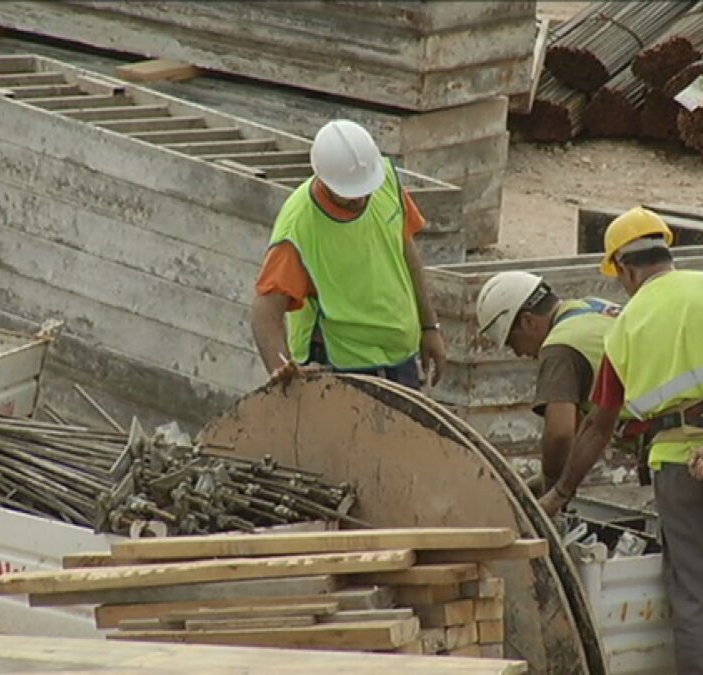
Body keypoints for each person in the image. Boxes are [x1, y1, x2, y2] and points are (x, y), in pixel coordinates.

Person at [539, 207, 703, 675]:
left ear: (627, 270)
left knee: (692, 598)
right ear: (666, 251)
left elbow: (598, 426)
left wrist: (561, 492)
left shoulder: (623, 327)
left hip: (674, 470)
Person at [249, 119, 446, 389]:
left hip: (400, 356)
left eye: (366, 191)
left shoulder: (384, 179)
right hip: (343, 367)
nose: (361, 200)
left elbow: (406, 253)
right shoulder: (299, 225)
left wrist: (429, 327)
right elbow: (265, 309)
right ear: (325, 180)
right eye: (350, 194)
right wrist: (282, 371)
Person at [476, 271, 621, 493]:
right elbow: (580, 424)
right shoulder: (593, 307)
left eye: (512, 342)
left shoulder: (559, 348)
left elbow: (560, 435)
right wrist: (541, 479)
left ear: (527, 322)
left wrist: (553, 490)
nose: (518, 353)